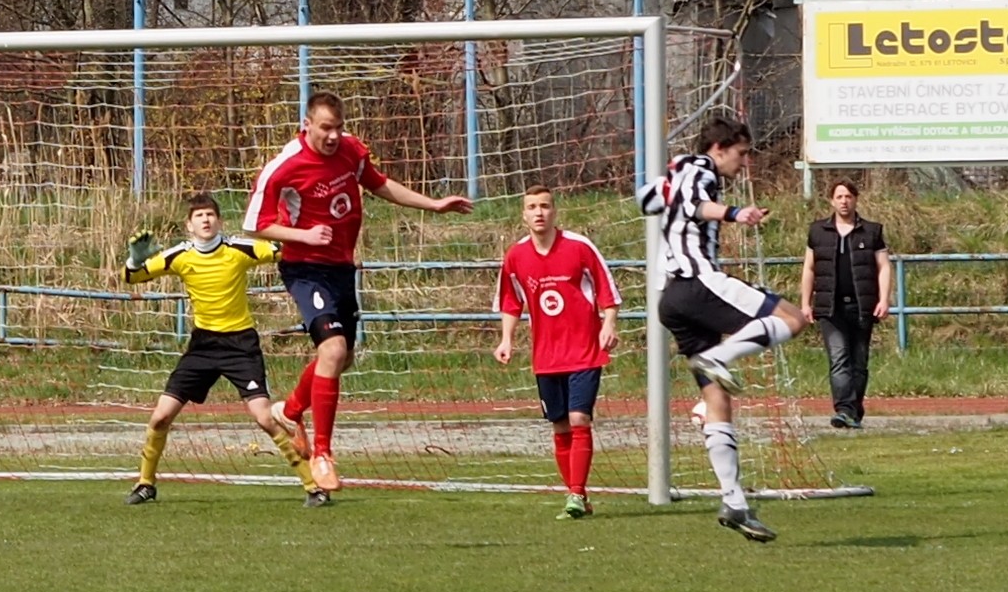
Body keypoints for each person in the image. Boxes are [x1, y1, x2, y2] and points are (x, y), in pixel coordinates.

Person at [244, 90, 472, 491]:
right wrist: (305, 235)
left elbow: (381, 185)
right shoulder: (283, 167)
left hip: (341, 268)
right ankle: (324, 454)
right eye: (325, 128)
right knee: (331, 350)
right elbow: (255, 225)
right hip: (304, 268)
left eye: (338, 127)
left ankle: (291, 410)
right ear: (307, 125)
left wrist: (433, 205)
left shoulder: (352, 150)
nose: (333, 136)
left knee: (343, 359)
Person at [640, 114, 799, 543]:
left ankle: (734, 501)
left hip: (671, 299)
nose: (744, 163)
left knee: (717, 400)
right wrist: (735, 213)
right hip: (699, 281)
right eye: (742, 154)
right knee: (793, 318)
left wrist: (669, 188)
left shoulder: (677, 170)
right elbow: (696, 205)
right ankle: (720, 358)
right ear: (720, 148)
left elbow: (645, 200)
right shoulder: (701, 169)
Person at [125, 194, 323, 506]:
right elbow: (131, 278)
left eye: (210, 215)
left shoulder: (238, 249)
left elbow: (283, 251)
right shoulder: (179, 255)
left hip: (241, 345)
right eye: (199, 216)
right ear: (188, 225)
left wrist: (302, 232)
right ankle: (145, 483)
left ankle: (313, 486)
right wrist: (135, 261)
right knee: (160, 418)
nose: (205, 220)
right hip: (203, 345)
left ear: (219, 221)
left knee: (263, 418)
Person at [491, 186, 620, 520]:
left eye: (545, 206)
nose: (539, 212)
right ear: (523, 214)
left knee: (579, 418)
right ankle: (576, 494)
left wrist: (609, 324)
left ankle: (576, 494)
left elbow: (607, 291)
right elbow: (510, 302)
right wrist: (506, 339)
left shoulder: (579, 247)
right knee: (560, 425)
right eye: (532, 206)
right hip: (546, 356)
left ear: (554, 211)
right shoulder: (515, 256)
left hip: (584, 350)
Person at [800, 178, 895, 431]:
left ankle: (854, 412)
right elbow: (809, 269)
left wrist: (884, 299)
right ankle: (844, 410)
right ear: (831, 200)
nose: (844, 201)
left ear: (856, 199)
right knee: (839, 358)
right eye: (839, 197)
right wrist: (805, 303)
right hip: (830, 308)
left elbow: (884, 266)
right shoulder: (818, 231)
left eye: (848, 196)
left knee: (859, 362)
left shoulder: (872, 231)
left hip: (862, 306)